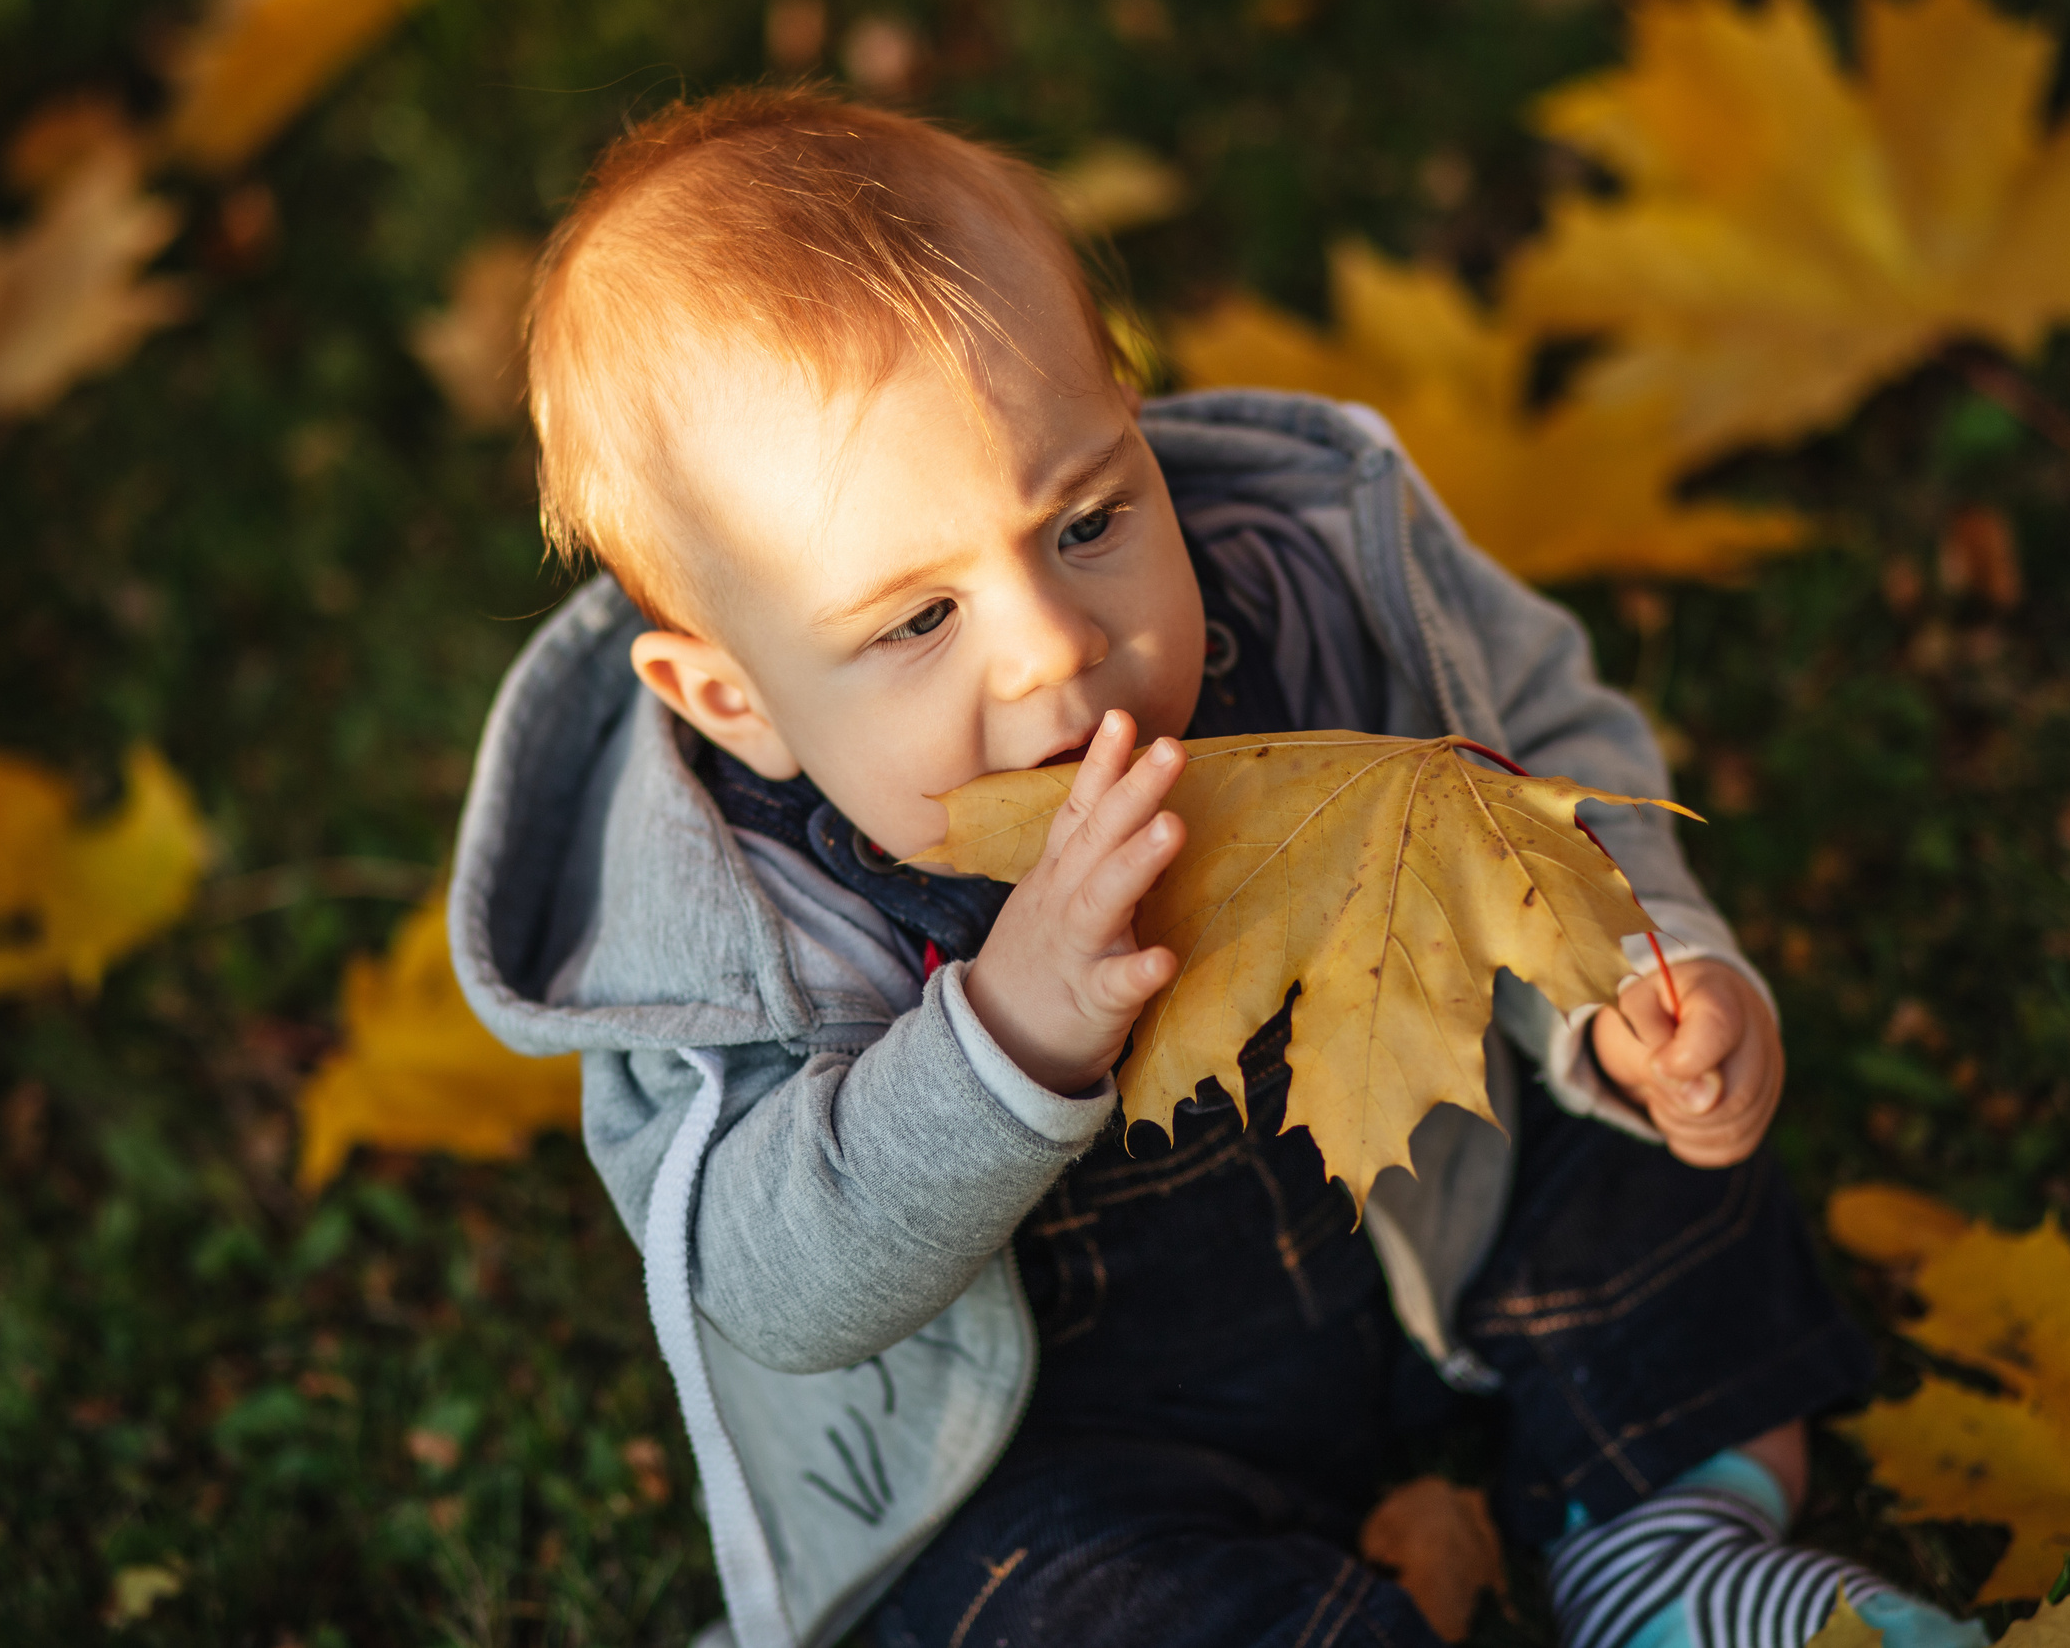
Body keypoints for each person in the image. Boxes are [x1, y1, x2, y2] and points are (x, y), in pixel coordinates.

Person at [449, 86, 1983, 1648]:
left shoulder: (1310, 588)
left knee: (1653, 1176)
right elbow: (782, 1286)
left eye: (1088, 517)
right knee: (1054, 1592)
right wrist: (1009, 1039)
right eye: (917, 622)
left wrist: (1643, 966)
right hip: (1070, 1431)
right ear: (738, 702)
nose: (1055, 643)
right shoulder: (738, 932)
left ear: (1135, 414)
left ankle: (1670, 1542)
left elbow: (1526, 736)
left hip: (1434, 1202)